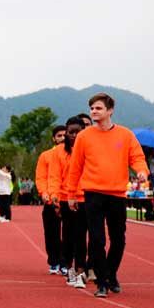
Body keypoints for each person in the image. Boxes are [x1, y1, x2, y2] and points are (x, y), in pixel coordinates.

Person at [65, 93, 148, 298]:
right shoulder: (84, 136)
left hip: (117, 194)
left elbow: (136, 157)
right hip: (92, 194)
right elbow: (75, 167)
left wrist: (141, 171)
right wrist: (72, 194)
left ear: (110, 111)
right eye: (92, 108)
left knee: (118, 239)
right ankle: (102, 282)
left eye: (98, 108)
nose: (94, 111)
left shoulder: (125, 135)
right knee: (97, 239)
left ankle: (111, 274)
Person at [48, 116, 88, 288]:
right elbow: (54, 176)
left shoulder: (89, 150)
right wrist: (54, 195)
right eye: (70, 132)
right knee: (68, 236)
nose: (74, 135)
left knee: (82, 236)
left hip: (85, 197)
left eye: (78, 132)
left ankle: (81, 269)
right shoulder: (58, 152)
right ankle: (69, 267)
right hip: (65, 198)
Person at [35, 125, 66, 275]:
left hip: (67, 199)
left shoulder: (74, 153)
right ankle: (53, 261)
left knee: (69, 233)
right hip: (50, 200)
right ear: (53, 138)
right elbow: (41, 177)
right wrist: (44, 193)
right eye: (59, 135)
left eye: (65, 135)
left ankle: (66, 261)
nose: (62, 138)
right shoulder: (45, 156)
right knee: (51, 233)